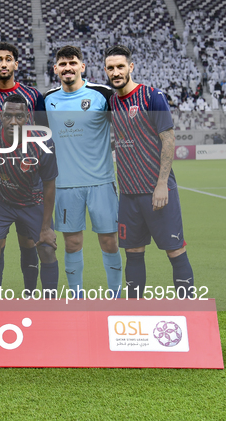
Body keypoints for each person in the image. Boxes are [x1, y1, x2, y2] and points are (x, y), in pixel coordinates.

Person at [104, 45, 194, 298]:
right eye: (111, 68)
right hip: (129, 194)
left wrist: (162, 184)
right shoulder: (112, 101)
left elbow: (168, 139)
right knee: (133, 253)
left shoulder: (152, 96)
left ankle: (188, 310)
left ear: (131, 67)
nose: (116, 72)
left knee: (175, 251)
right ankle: (135, 310)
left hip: (157, 191)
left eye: (120, 66)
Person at [44, 45, 122, 298]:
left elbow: (124, 125)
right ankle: (77, 297)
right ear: (55, 69)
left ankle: (115, 295)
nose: (68, 68)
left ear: (82, 67)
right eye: (63, 64)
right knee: (72, 243)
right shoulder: (48, 99)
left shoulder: (102, 94)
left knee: (110, 241)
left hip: (101, 182)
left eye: (73, 63)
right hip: (64, 185)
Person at [0, 42, 47, 295]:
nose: (4, 63)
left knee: (29, 243)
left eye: (8, 59)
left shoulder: (33, 96)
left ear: (16, 64)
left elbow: (45, 136)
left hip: (29, 185)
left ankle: (29, 293)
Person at [0, 95, 58, 297]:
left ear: (28, 117)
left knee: (47, 248)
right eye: (8, 116)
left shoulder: (43, 142)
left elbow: (49, 186)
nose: (13, 121)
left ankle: (50, 306)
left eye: (19, 116)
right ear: (1, 116)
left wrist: (46, 227)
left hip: (32, 201)